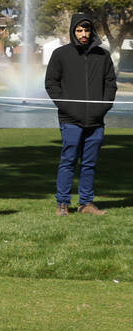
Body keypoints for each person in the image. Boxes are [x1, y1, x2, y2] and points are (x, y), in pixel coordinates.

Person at [44, 12, 116, 216]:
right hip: (70, 120)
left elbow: (110, 84)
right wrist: (67, 107)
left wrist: (102, 107)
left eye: (87, 30)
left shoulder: (103, 56)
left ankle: (86, 203)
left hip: (96, 121)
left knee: (90, 163)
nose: (83, 34)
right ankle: (62, 204)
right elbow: (51, 83)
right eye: (79, 30)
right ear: (73, 31)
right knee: (68, 161)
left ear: (91, 31)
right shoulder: (60, 54)